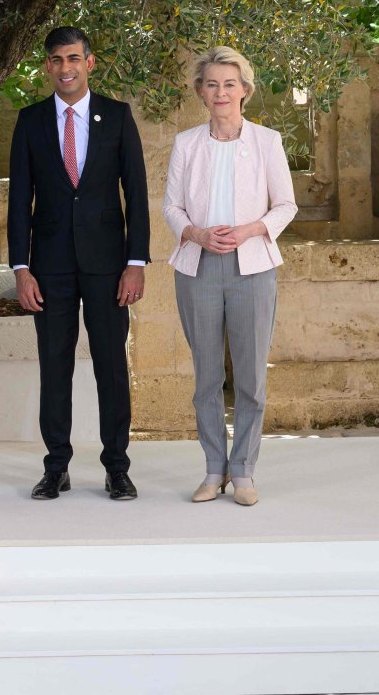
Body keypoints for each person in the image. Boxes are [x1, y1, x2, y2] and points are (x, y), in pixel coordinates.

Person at [7, 27, 149, 502]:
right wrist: (20, 269)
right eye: (55, 59)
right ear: (46, 66)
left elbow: (137, 194)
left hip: (109, 266)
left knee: (111, 367)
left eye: (73, 58)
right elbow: (18, 201)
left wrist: (136, 262)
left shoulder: (118, 116)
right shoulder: (29, 121)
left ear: (89, 62)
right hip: (48, 268)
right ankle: (56, 467)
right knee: (54, 367)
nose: (64, 67)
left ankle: (117, 467)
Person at [163, 46, 296, 506]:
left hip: (253, 267)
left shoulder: (268, 141)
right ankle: (213, 468)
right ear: (202, 92)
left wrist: (250, 229)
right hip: (197, 267)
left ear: (245, 91)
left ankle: (243, 472)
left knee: (250, 377)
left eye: (230, 83)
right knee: (205, 377)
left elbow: (285, 205)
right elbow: (171, 207)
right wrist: (195, 232)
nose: (221, 91)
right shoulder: (185, 143)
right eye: (212, 84)